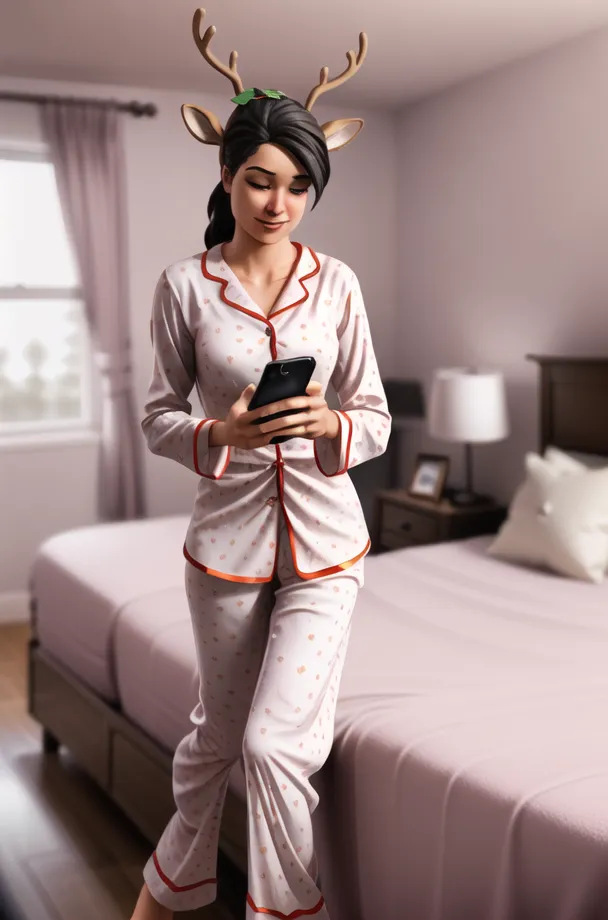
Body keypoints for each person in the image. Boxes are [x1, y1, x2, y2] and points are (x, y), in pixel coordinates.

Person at [130, 8, 391, 919]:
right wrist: (221, 438)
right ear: (228, 176)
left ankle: (286, 911)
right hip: (227, 546)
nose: (277, 204)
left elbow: (377, 416)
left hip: (326, 543)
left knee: (274, 747)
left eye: (296, 187)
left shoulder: (341, 284)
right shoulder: (182, 286)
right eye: (258, 181)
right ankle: (165, 894)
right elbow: (159, 416)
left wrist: (330, 426)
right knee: (215, 742)